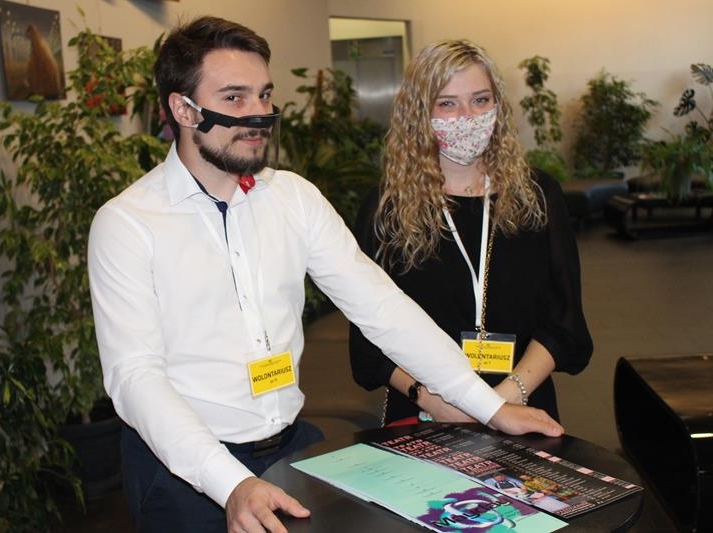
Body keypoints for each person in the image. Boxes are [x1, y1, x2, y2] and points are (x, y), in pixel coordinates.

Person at [88, 19, 563, 533]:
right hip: (184, 473)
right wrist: (230, 482)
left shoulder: (293, 198)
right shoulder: (129, 223)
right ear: (184, 109)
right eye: (235, 97)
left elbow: (381, 308)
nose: (258, 115)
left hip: (288, 450)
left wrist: (489, 407)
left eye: (264, 95)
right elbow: (135, 376)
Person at [349, 39, 592, 426]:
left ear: (498, 105)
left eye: (480, 100)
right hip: (427, 412)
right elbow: (368, 338)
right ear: (419, 113)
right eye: (448, 104)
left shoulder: (537, 195)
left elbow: (564, 321)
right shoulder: (386, 209)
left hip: (523, 401)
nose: (468, 116)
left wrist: (502, 400)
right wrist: (431, 400)